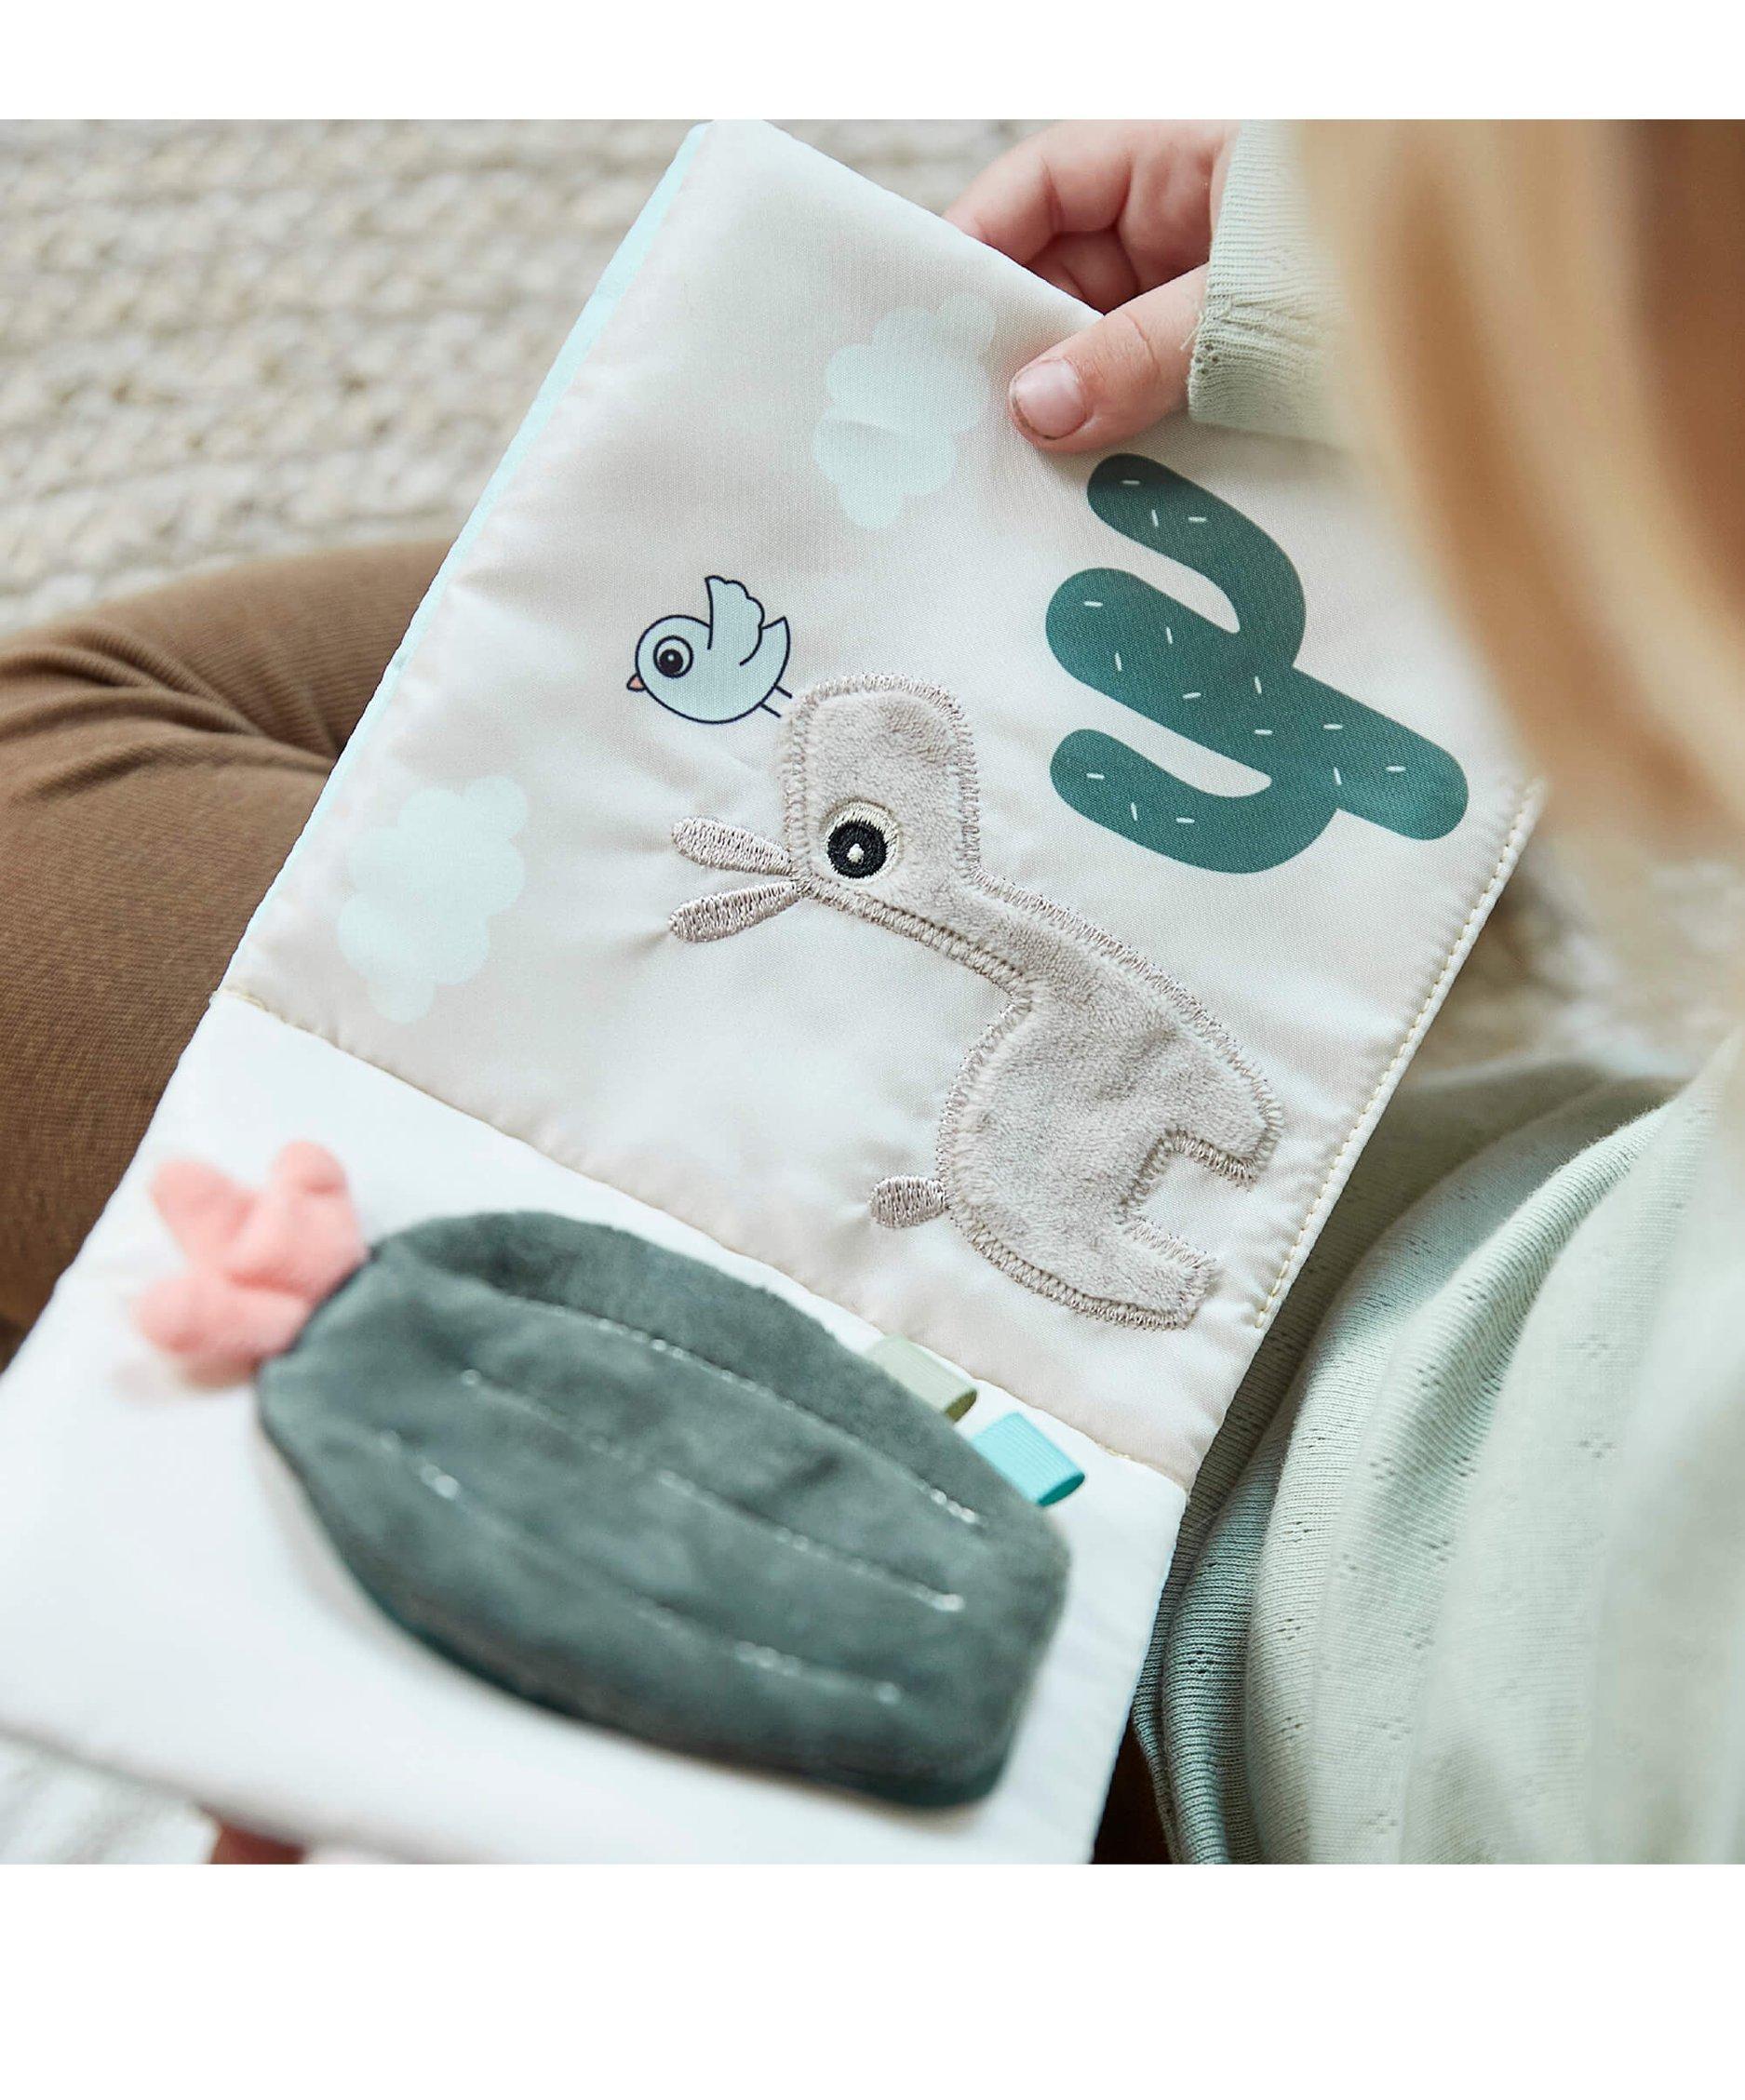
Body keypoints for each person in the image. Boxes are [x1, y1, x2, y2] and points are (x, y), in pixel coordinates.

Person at [5, 121, 1739, 1860]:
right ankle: (1409, 753)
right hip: (1435, 1287)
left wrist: (1508, 324)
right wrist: (1457, 311)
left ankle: (1425, 730)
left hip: (1115, 1660)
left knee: (53, 791)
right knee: (700, 583)